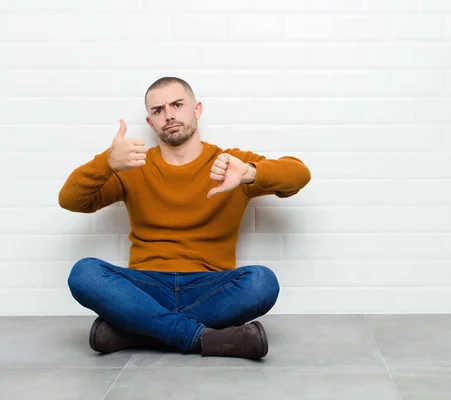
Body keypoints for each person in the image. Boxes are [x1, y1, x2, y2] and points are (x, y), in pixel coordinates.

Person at [58, 77, 311, 359]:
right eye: (158, 110)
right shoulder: (131, 167)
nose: (169, 115)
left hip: (209, 287)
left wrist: (250, 173)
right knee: (85, 274)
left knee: (262, 282)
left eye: (177, 104)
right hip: (145, 286)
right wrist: (106, 162)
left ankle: (138, 330)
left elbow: (300, 174)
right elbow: (70, 200)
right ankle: (204, 338)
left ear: (197, 109)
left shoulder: (230, 164)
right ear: (150, 121)